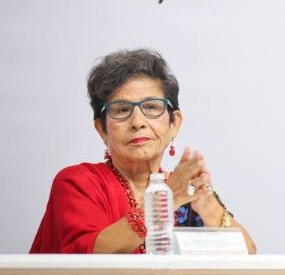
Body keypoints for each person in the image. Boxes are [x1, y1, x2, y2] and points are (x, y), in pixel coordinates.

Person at [30, 49, 256, 254]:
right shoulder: (77, 182)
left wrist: (207, 205)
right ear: (102, 129)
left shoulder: (183, 188)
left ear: (174, 124)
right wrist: (167, 198)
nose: (137, 122)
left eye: (151, 107)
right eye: (122, 109)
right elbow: (90, 255)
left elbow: (248, 253)